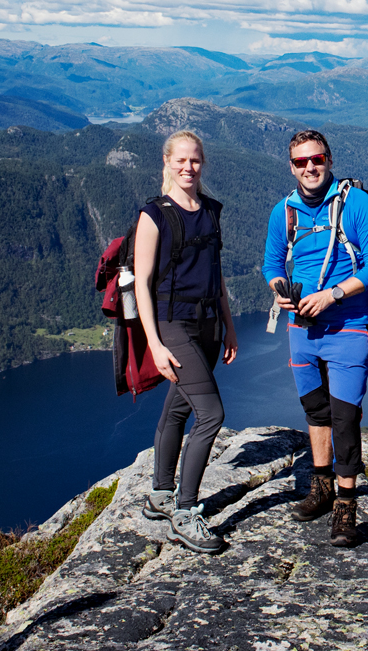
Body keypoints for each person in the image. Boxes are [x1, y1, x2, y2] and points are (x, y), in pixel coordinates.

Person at [262, 129, 368, 548]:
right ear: (292, 167)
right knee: (315, 410)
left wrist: (333, 294)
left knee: (344, 415)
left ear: (329, 160)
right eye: (300, 162)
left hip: (348, 325)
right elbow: (272, 263)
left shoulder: (356, 203)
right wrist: (283, 292)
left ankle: (347, 506)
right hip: (302, 327)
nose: (310, 167)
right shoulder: (284, 212)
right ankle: (321, 487)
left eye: (316, 159)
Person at [134, 130, 238, 554]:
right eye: (181, 160)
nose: (188, 167)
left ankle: (160, 494)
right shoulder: (154, 215)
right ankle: (184, 511)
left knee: (179, 406)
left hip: (209, 324)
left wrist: (230, 326)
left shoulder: (211, 212)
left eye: (195, 161)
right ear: (166, 162)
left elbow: (217, 276)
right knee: (211, 414)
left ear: (203, 163)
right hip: (173, 324)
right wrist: (155, 344)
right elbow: (141, 284)